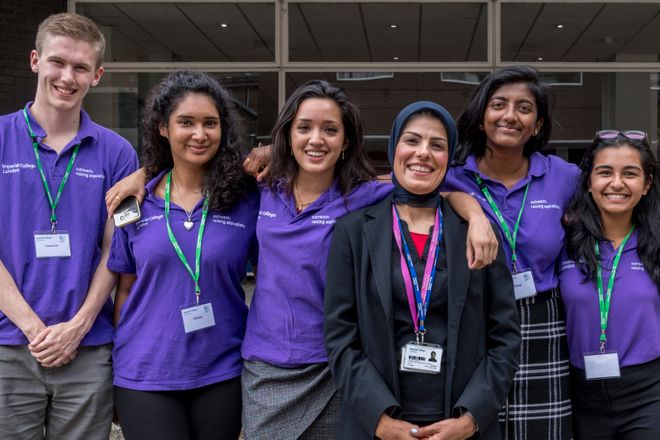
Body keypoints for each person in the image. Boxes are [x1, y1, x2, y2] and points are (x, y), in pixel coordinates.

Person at [106, 80, 497, 439]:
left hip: (334, 366)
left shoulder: (364, 198)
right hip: (264, 366)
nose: (316, 140)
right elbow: (193, 166)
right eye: (304, 128)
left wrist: (477, 215)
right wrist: (144, 175)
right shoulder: (257, 190)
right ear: (288, 136)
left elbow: (435, 192)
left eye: (330, 130)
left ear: (345, 142)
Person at [324, 101, 521, 440]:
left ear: (449, 157)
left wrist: (473, 417)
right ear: (394, 147)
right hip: (379, 422)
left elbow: (504, 336)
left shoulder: (478, 231)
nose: (423, 153)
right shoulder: (353, 232)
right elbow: (340, 334)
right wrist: (377, 417)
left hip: (460, 420)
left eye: (437, 145)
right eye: (412, 141)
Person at [0, 13, 138, 439]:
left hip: (88, 347)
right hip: (7, 344)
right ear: (35, 60)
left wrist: (77, 327)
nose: (67, 77)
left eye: (80, 67)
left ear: (96, 75)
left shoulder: (119, 155)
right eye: (58, 62)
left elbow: (117, 252)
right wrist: (34, 329)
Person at [107, 71, 258, 440]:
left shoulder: (247, 198)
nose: (199, 134)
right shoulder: (135, 201)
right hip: (145, 372)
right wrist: (115, 362)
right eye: (185, 122)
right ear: (163, 127)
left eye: (210, 123)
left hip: (222, 369)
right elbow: (124, 290)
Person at [442, 66, 578, 440]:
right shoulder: (453, 176)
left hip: (542, 321)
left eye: (524, 107)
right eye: (498, 104)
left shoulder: (563, 177)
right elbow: (395, 181)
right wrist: (471, 209)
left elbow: (617, 188)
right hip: (475, 315)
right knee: (475, 426)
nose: (509, 115)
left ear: (537, 124)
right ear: (482, 116)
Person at [559, 131, 660, 440]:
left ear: (646, 185)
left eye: (630, 173)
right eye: (605, 172)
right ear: (589, 181)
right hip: (581, 393)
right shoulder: (563, 242)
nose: (616, 183)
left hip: (648, 392)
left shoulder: (656, 244)